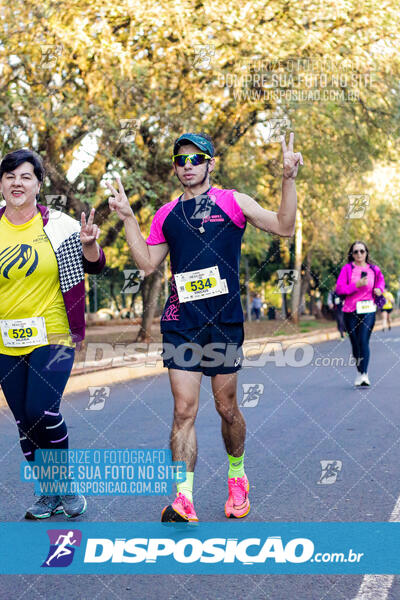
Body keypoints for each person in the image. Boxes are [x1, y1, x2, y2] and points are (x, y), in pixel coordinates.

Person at [107, 131, 302, 521]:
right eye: (181, 160)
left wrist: (288, 178)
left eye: (196, 159)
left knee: (227, 408)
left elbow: (283, 226)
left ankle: (237, 478)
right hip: (182, 322)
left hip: (224, 323)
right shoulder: (166, 214)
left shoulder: (233, 202)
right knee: (183, 411)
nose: (188, 166)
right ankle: (183, 497)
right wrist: (128, 218)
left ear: (211, 163)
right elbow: (147, 264)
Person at [0, 149, 105, 519]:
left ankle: (65, 488)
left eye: (26, 176)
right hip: (6, 343)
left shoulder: (59, 224)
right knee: (23, 421)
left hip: (56, 336)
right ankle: (49, 494)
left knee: (40, 410)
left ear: (38, 185)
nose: (17, 183)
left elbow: (96, 265)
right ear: (1, 183)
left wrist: (89, 244)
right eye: (10, 176)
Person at [335, 241, 384, 387]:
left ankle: (364, 374)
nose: (359, 254)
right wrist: (356, 285)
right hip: (350, 310)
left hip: (368, 309)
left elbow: (381, 282)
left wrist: (379, 290)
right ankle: (359, 372)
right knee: (355, 343)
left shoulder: (374, 270)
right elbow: (339, 289)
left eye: (362, 251)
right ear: (352, 254)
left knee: (363, 340)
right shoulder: (347, 269)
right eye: (356, 252)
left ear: (366, 253)